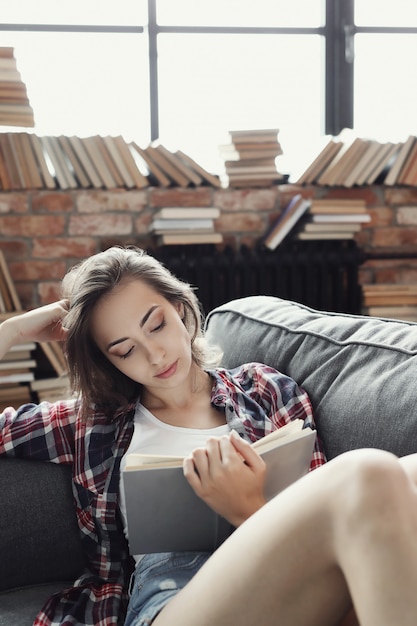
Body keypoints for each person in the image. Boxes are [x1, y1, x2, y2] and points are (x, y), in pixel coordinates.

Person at [0, 245, 417, 626]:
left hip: (292, 585)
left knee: (401, 474)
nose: (155, 355)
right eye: (125, 350)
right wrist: (15, 331)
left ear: (180, 308)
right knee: (369, 472)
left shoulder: (264, 390)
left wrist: (248, 510)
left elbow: (328, 523)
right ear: (109, 362)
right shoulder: (91, 424)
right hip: (172, 596)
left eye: (157, 325)